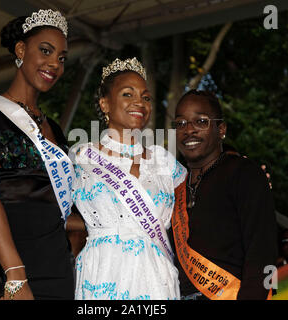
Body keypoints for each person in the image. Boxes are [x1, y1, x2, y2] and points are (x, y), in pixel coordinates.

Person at [0, 9, 75, 300]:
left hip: (55, 264)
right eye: (46, 51)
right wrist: (15, 275)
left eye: (61, 58)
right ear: (21, 49)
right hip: (2, 264)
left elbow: (60, 209)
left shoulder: (56, 132)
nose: (54, 65)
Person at [69, 57, 187, 300]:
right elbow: (48, 212)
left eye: (146, 97)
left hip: (156, 279)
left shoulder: (164, 161)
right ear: (105, 104)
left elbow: (192, 212)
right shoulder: (81, 158)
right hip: (102, 274)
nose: (139, 103)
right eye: (127, 94)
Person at [171, 90, 278, 300]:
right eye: (180, 123)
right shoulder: (174, 186)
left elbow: (263, 253)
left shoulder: (244, 173)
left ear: (221, 129)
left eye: (200, 121)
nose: (189, 130)